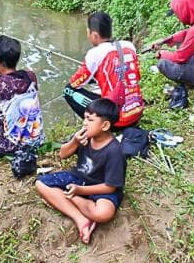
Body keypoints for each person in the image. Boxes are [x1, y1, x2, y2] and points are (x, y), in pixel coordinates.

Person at [35, 98, 126, 245]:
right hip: (79, 177)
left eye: (90, 120)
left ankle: (66, 198)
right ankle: (81, 219)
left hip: (101, 187)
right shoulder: (84, 137)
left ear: (105, 125)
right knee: (41, 184)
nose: (84, 123)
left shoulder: (114, 151)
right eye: (85, 118)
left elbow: (110, 186)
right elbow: (62, 155)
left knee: (103, 213)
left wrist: (79, 191)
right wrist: (74, 142)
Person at [65, 12, 144, 128]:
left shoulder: (94, 53)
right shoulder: (129, 46)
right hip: (136, 113)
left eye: (88, 32)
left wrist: (89, 71)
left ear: (94, 35)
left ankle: (96, 124)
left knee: (68, 91)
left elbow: (75, 82)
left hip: (117, 120)